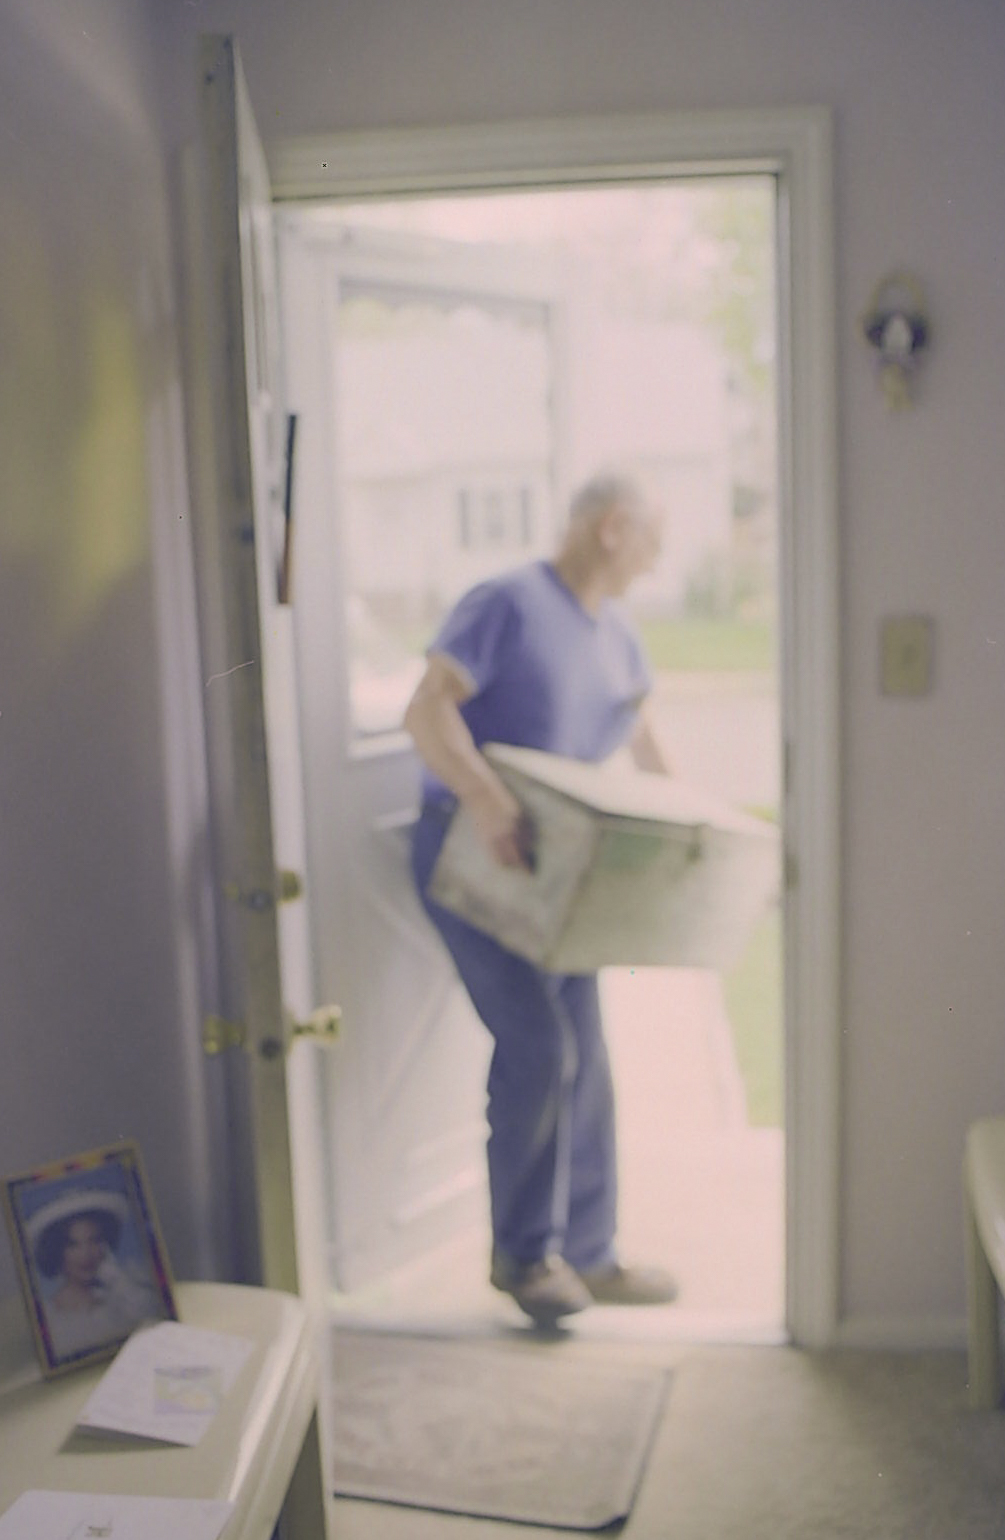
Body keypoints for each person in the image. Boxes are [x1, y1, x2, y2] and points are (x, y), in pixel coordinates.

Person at [404, 471, 680, 1326]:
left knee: (584, 1054)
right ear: (612, 528)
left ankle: (590, 1253)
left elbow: (643, 740)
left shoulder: (617, 634)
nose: (656, 558)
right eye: (652, 538)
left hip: (557, 872)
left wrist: (684, 837)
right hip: (472, 856)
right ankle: (524, 1258)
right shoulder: (508, 603)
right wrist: (487, 800)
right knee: (538, 1046)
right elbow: (426, 710)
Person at [26, 1188, 166, 1361]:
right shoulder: (50, 1318)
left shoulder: (124, 1296)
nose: (87, 1254)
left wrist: (118, 1281)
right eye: (73, 1244)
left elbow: (157, 1327)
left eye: (94, 1240)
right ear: (57, 1252)